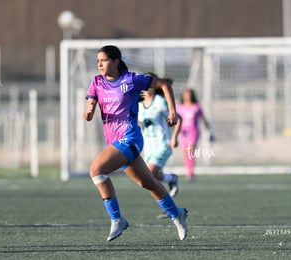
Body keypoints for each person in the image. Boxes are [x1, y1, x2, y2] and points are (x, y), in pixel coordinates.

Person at [84, 45, 188, 242]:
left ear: (115, 61)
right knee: (147, 182)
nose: (99, 64)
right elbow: (88, 111)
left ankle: (117, 219)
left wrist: (173, 112)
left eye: (103, 60)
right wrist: (88, 111)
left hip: (130, 138)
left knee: (96, 170)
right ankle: (177, 214)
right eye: (97, 61)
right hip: (114, 142)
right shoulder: (96, 82)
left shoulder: (131, 79)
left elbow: (164, 85)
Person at [138, 72, 181, 198]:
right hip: (148, 147)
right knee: (148, 178)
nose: (144, 88)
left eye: (147, 85)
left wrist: (174, 137)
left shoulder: (160, 102)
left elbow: (179, 119)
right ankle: (171, 179)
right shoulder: (139, 104)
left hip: (163, 144)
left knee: (150, 173)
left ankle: (168, 203)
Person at [177, 88, 212, 182]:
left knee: (190, 150)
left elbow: (203, 118)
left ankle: (190, 173)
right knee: (186, 153)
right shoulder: (179, 107)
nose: (186, 96)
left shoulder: (196, 106)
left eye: (188, 94)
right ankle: (189, 171)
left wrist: (209, 129)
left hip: (193, 131)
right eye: (185, 94)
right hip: (183, 132)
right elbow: (175, 119)